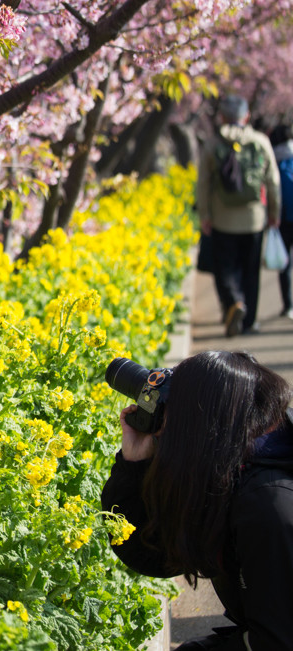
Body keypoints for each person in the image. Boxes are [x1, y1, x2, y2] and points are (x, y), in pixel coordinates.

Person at [101, 351, 293, 650]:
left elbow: (277, 642)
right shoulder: (234, 467)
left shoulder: (269, 506)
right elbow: (155, 556)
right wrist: (133, 463)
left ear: (202, 426)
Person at [195, 95, 281, 337]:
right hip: (254, 218)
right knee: (250, 270)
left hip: (223, 218)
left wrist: (204, 214)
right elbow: (272, 182)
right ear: (247, 116)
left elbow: (203, 183)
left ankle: (233, 302)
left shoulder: (213, 144)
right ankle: (249, 321)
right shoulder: (260, 141)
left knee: (225, 269)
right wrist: (274, 212)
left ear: (222, 117)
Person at [268, 123, 293, 318]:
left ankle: (288, 304)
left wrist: (272, 214)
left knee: (284, 264)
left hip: (283, 219)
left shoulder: (272, 159)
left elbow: (272, 190)